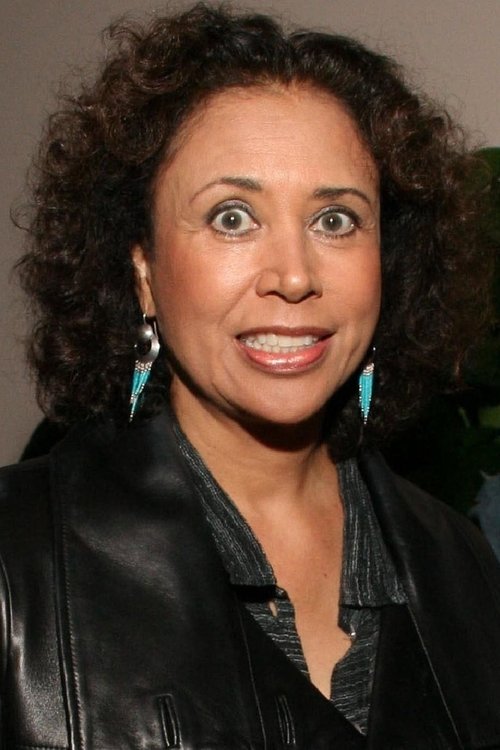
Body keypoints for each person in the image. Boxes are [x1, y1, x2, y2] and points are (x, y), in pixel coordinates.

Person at [2, 3, 500, 748]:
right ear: (143, 272)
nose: (294, 275)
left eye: (335, 220)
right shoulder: (17, 562)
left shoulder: (463, 566)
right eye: (232, 217)